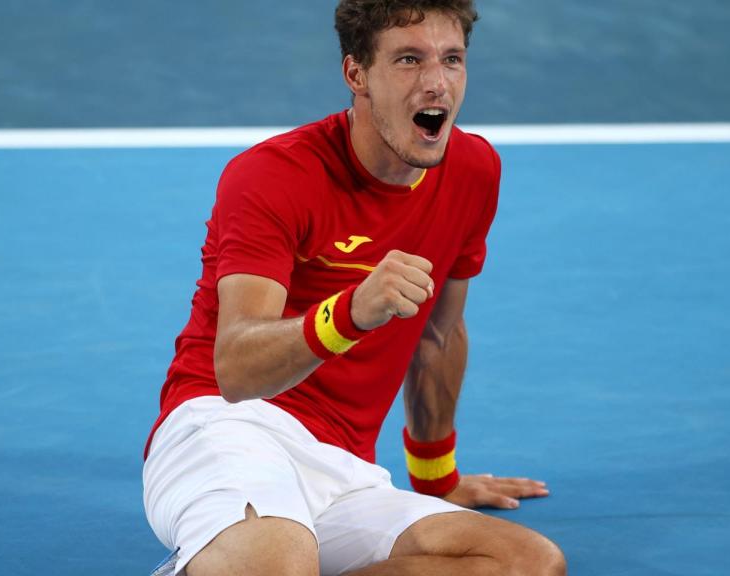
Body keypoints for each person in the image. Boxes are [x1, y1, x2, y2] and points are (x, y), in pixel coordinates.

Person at [143, 1, 567, 574]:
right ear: (356, 74)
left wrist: (436, 477)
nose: (436, 84)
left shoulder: (473, 170)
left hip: (344, 468)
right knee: (280, 564)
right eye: (408, 60)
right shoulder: (273, 176)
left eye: (452, 60)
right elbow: (237, 371)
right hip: (225, 428)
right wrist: (349, 314)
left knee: (523, 563)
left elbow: (439, 334)